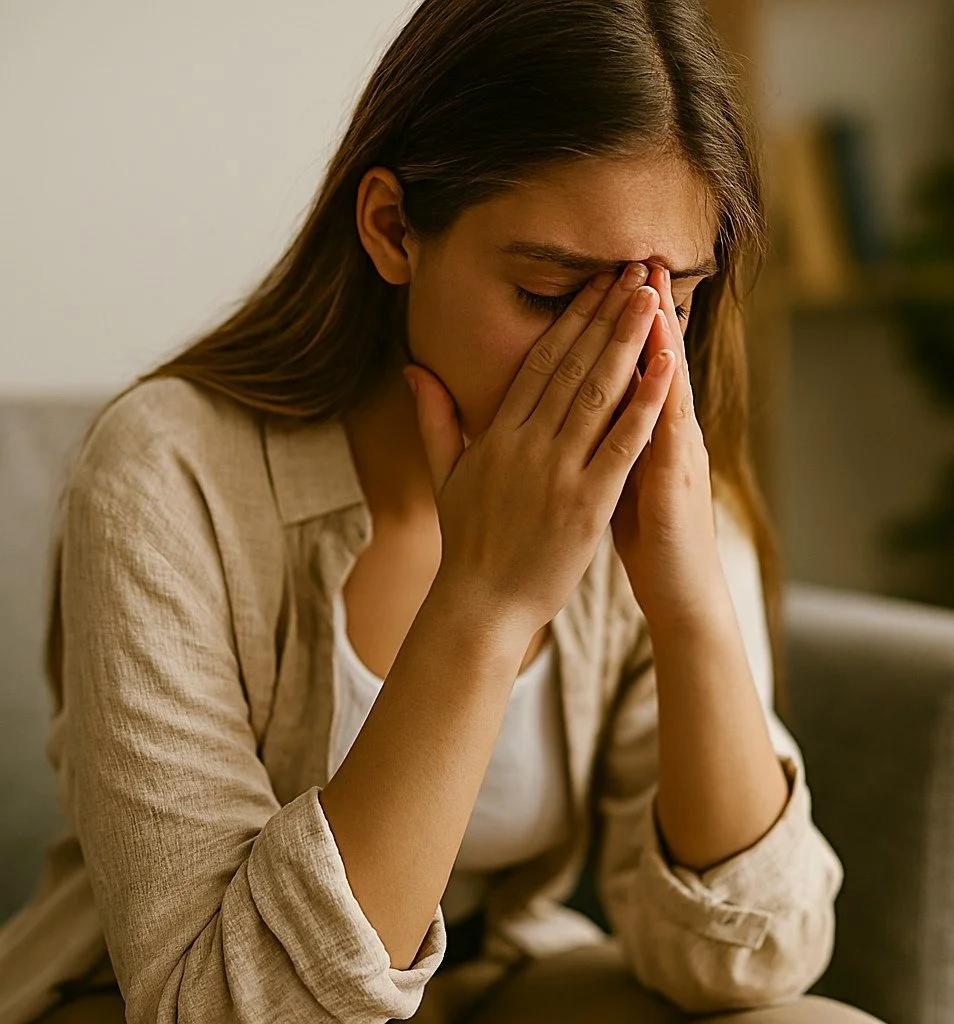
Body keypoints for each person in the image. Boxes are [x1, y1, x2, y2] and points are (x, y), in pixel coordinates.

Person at [0, 0, 887, 1021]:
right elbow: (227, 1002)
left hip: (493, 983)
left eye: (669, 299)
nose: (614, 365)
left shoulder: (657, 475)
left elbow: (746, 962)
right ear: (391, 229)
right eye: (552, 296)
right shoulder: (169, 471)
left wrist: (689, 600)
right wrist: (486, 598)